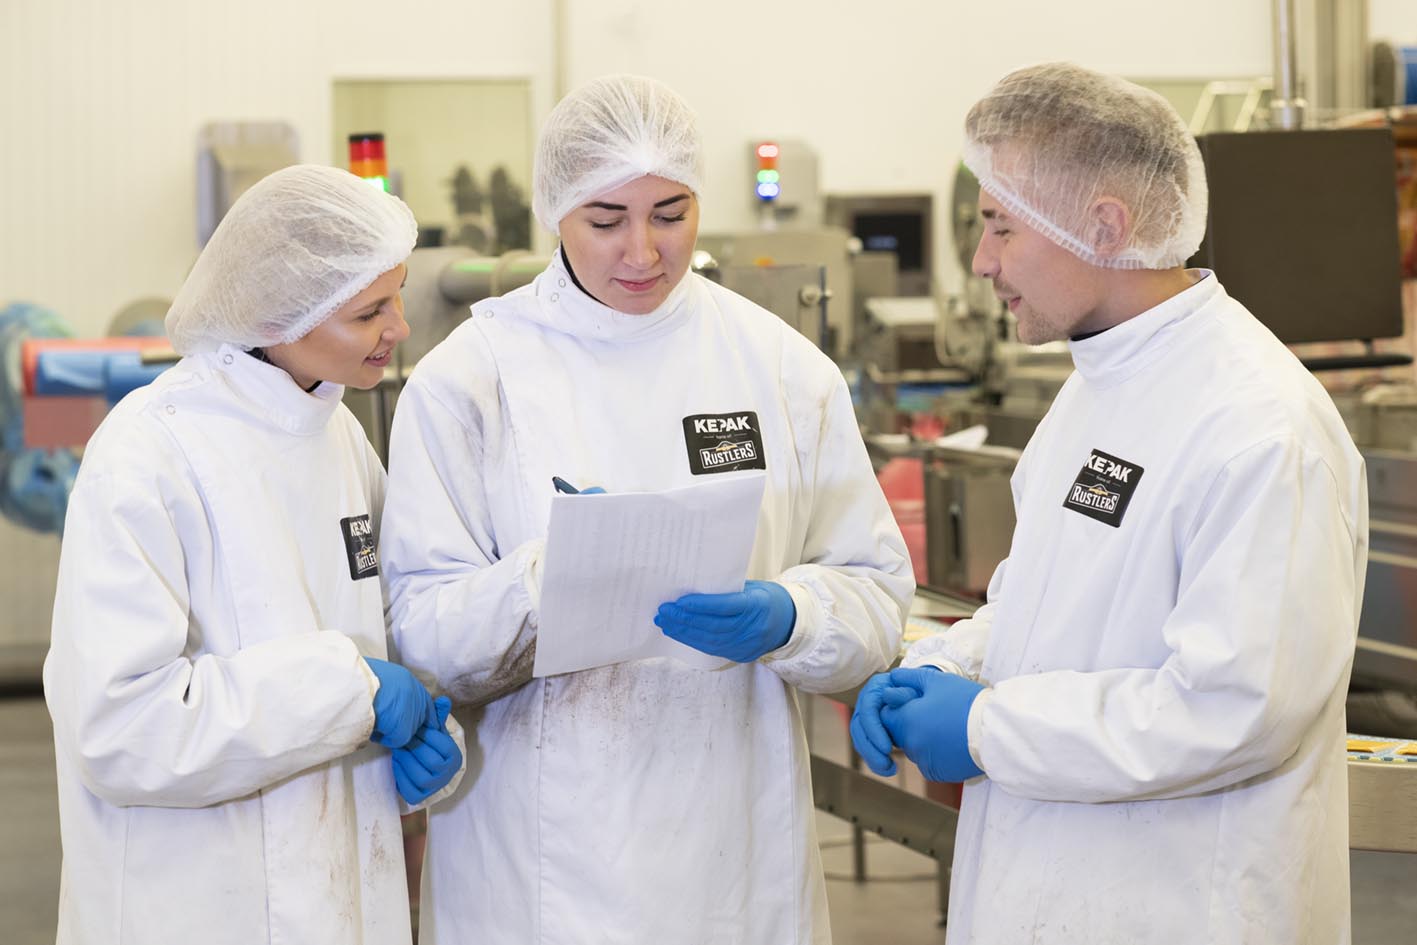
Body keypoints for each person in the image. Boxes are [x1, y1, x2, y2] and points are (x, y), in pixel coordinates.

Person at [380, 74, 914, 943]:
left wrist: (793, 616)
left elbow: (876, 590)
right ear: (555, 212)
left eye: (670, 214)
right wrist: (543, 583)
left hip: (736, 848)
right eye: (606, 220)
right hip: (537, 861)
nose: (642, 251)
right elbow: (421, 630)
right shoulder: (471, 380)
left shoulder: (782, 369)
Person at [851, 62, 1368, 944]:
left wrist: (985, 728)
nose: (981, 262)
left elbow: (1231, 710)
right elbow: (1043, 602)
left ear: (1101, 225)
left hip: (1177, 907)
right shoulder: (1094, 388)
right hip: (1047, 888)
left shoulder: (1258, 428)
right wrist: (945, 663)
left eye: (1000, 226)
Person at [43, 164, 463, 945]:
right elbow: (119, 728)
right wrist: (349, 690)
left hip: (341, 901)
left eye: (397, 297)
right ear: (280, 313)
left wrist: (424, 740)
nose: (399, 328)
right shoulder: (148, 450)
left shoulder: (340, 434)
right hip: (197, 907)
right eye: (370, 311)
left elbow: (387, 639)